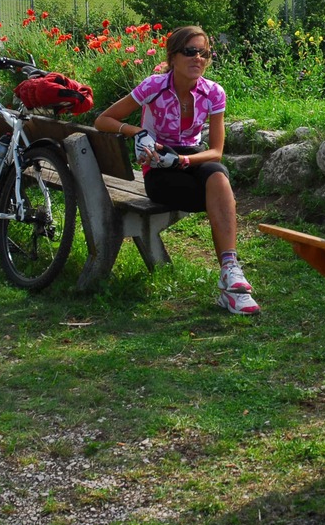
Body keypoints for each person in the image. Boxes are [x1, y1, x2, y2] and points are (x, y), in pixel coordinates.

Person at [94, 26, 259, 316]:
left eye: (204, 52)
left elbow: (215, 150)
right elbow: (103, 120)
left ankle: (231, 273)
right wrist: (137, 132)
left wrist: (184, 161)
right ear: (172, 56)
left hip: (190, 161)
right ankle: (231, 285)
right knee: (220, 193)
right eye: (190, 51)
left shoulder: (213, 93)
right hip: (159, 172)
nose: (198, 58)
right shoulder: (153, 86)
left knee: (218, 174)